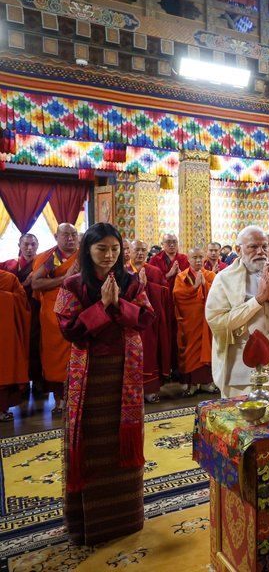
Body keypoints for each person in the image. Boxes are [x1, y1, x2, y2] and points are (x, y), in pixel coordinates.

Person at [54, 222, 155, 546]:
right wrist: (101, 307)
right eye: (102, 249)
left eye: (114, 248)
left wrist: (118, 304)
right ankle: (89, 524)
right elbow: (68, 329)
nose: (109, 255)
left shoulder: (131, 281)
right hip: (90, 374)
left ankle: (126, 518)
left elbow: (145, 317)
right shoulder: (72, 284)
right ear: (88, 250)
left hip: (125, 372)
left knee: (122, 442)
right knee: (90, 441)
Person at [206, 226, 269, 397]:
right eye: (253, 247)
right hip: (241, 369)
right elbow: (217, 321)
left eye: (265, 247)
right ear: (238, 250)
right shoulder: (224, 279)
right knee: (244, 419)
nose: (261, 252)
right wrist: (257, 301)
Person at [31, 223, 79, 412]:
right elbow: (36, 283)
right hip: (54, 313)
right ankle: (59, 398)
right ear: (56, 236)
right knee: (56, 356)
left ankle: (77, 398)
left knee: (77, 354)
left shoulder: (84, 255)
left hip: (79, 310)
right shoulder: (52, 257)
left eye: (73, 234)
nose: (70, 239)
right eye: (65, 235)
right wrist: (65, 278)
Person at [126, 240, 172, 403]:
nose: (139, 253)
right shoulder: (123, 271)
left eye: (143, 250)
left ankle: (150, 390)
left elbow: (165, 294)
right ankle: (132, 392)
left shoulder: (154, 271)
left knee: (150, 354)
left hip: (150, 320)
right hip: (129, 321)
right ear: (129, 251)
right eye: (136, 250)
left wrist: (148, 286)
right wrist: (139, 285)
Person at [2, 233, 42, 395]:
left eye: (33, 244)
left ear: (37, 246)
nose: (29, 248)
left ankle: (38, 380)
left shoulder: (42, 265)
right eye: (25, 244)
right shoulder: (9, 265)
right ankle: (20, 383)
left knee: (35, 344)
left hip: (35, 310)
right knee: (18, 344)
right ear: (19, 246)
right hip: (13, 312)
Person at [174, 248, 217, 396]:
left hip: (206, 320)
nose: (198, 261)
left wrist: (205, 284)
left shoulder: (210, 275)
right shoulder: (181, 277)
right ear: (188, 259)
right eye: (194, 258)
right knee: (190, 350)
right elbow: (178, 296)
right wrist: (194, 287)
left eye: (200, 257)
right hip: (190, 320)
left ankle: (206, 383)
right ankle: (192, 384)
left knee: (207, 348)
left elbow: (218, 294)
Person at [0, 270, 29, 421]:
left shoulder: (9, 279)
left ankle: (2, 410)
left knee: (5, 369)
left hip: (6, 333)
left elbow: (23, 301)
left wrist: (4, 298)